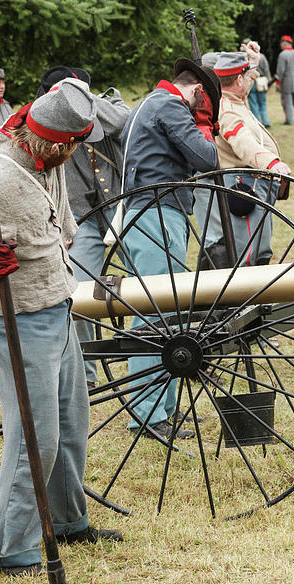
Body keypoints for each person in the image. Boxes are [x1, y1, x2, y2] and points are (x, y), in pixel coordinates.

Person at [0, 78, 122, 577]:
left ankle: (67, 520)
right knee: (34, 438)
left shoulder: (50, 165)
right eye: (74, 146)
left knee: (70, 426)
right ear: (55, 142)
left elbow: (61, 231)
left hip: (58, 306)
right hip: (18, 320)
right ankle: (12, 547)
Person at [121, 58, 220, 439]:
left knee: (169, 312)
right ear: (196, 91)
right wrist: (206, 127)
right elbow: (206, 158)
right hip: (155, 215)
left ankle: (162, 409)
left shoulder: (154, 103)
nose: (204, 113)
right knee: (154, 314)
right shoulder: (169, 105)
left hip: (158, 212)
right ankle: (146, 416)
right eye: (206, 105)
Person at [35, 66, 131, 389]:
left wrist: (83, 97)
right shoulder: (48, 124)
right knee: (78, 295)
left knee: (156, 284)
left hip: (123, 208)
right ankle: (85, 378)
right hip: (82, 219)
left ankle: (151, 356)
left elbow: (121, 123)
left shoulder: (111, 103)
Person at [195, 51, 290, 269]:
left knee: (258, 247)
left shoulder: (234, 101)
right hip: (241, 188)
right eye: (248, 77)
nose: (251, 81)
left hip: (250, 186)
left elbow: (249, 76)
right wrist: (272, 164)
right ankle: (245, 298)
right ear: (239, 80)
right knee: (247, 251)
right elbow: (243, 142)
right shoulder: (227, 109)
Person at [275, 35, 294, 124]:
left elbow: (280, 70)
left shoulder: (282, 55)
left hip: (286, 82)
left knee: (287, 103)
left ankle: (289, 120)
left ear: (284, 43)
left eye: (281, 43)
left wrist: (278, 82)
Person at [246, 40, 272, 127]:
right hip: (262, 81)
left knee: (253, 103)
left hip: (252, 80)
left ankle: (257, 123)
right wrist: (268, 82)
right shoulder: (262, 56)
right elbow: (267, 70)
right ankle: (265, 121)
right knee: (263, 103)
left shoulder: (246, 57)